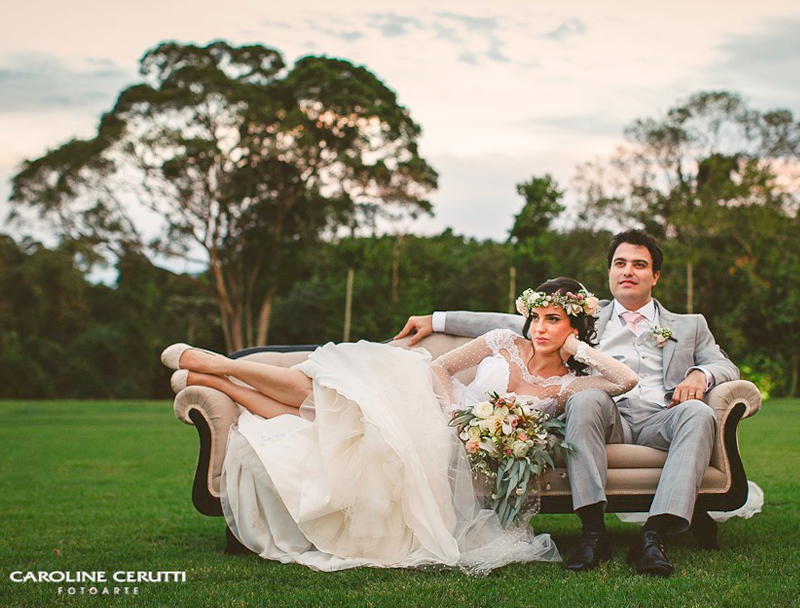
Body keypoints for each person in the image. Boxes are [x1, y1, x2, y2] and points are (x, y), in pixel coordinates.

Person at [160, 277, 637, 574]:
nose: (540, 328)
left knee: (319, 419)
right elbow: (440, 368)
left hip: (450, 440)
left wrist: (577, 349)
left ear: (575, 327)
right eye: (536, 317)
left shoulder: (570, 386)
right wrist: (452, 411)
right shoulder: (502, 340)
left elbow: (626, 380)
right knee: (324, 395)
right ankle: (219, 363)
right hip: (423, 398)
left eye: (554, 320)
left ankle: (210, 377)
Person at [395, 229, 739, 577]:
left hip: (663, 416)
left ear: (656, 275)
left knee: (699, 412)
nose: (628, 271)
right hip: (607, 415)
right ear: (609, 272)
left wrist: (701, 375)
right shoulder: (581, 316)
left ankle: (654, 535)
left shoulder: (691, 325)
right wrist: (435, 319)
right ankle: (593, 532)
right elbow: (505, 322)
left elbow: (724, 364)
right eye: (620, 263)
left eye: (639, 264)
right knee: (586, 397)